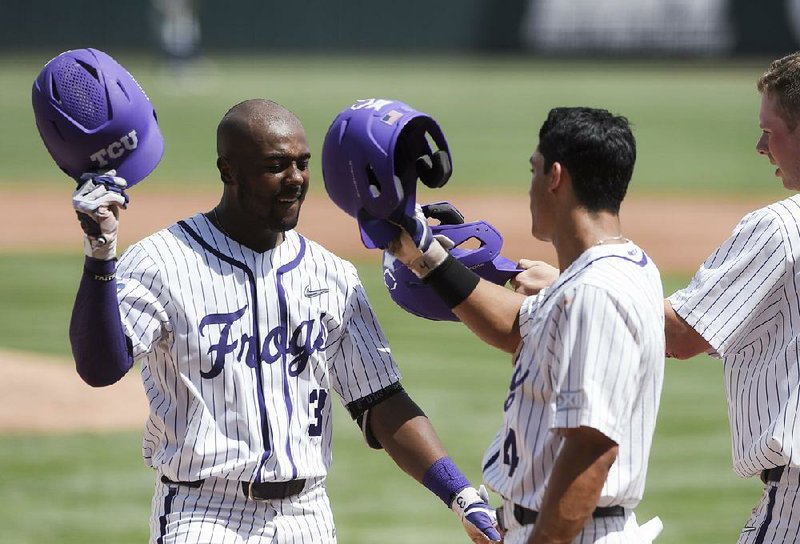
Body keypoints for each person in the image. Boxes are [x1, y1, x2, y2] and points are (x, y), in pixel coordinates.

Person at [68, 99, 500, 543]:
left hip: (306, 515)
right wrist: (100, 255)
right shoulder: (160, 262)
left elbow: (381, 400)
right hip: (202, 514)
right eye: (277, 165)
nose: (295, 179)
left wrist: (460, 494)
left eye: (302, 164)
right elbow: (99, 367)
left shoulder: (331, 273)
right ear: (228, 170)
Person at [365, 106, 665, 543]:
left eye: (534, 170)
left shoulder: (594, 292)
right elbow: (513, 324)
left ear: (555, 177)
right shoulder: (615, 270)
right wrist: (428, 258)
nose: (530, 186)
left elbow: (591, 449)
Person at [665, 52, 800, 542]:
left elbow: (677, 335)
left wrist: (569, 284)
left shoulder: (780, 226)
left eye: (772, 130)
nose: (761, 145)